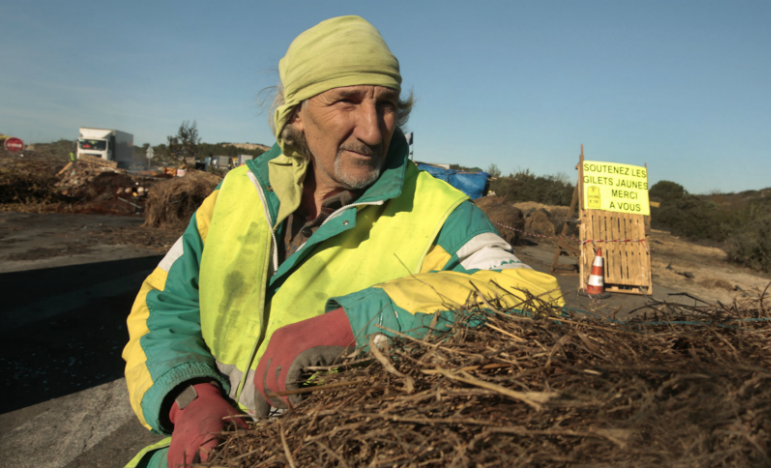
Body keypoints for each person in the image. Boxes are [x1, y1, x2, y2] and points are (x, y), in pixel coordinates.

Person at [123, 15, 564, 468]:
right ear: (296, 113)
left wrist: (360, 324)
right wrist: (190, 397)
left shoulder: (441, 213)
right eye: (346, 101)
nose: (373, 130)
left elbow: (531, 297)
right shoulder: (237, 194)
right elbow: (162, 305)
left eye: (386, 104)